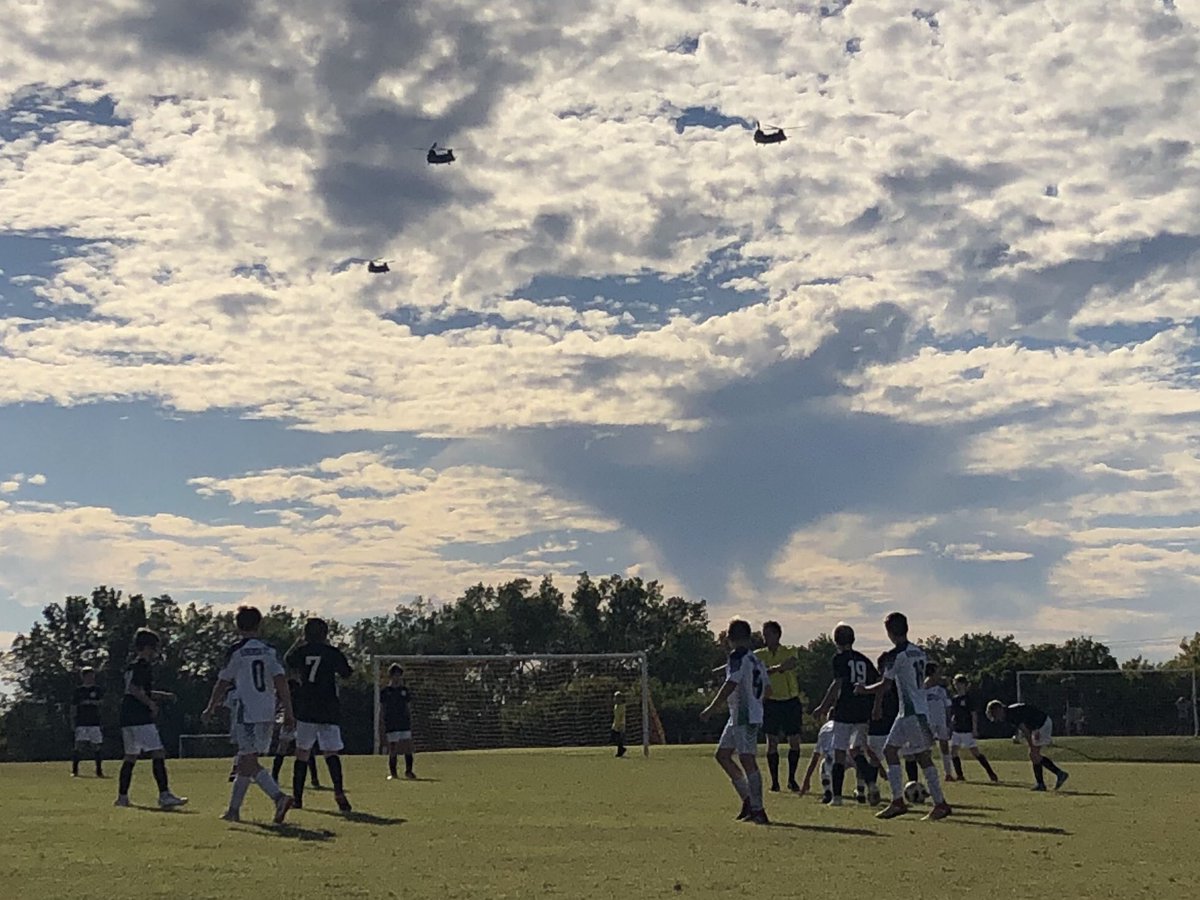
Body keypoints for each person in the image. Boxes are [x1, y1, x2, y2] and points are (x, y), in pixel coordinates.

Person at [203, 606, 295, 824]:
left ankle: (278, 797)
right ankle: (233, 811)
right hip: (268, 709)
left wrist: (210, 706)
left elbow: (223, 681)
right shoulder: (269, 650)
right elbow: (281, 680)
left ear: (237, 626)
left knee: (247, 760)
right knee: (247, 760)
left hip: (247, 711)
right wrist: (289, 711)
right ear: (260, 624)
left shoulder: (237, 651)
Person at [854, 612, 951, 821]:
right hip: (912, 711)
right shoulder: (920, 652)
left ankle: (939, 803)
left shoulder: (895, 655)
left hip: (911, 713)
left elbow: (885, 685)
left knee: (922, 757)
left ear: (889, 632)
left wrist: (864, 690)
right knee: (890, 751)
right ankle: (898, 801)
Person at [700, 617, 771, 825]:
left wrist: (712, 708)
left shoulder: (737, 657)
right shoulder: (756, 660)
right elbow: (768, 689)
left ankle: (758, 809)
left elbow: (732, 682)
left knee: (747, 759)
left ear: (730, 638)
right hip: (740, 714)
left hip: (744, 714)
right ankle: (748, 800)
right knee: (722, 755)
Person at [285, 617, 354, 812]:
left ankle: (297, 798)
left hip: (307, 707)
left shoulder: (302, 651)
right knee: (331, 752)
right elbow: (347, 673)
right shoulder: (332, 653)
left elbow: (288, 660)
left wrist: (298, 642)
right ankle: (339, 792)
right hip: (328, 707)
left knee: (302, 753)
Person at [115, 628, 187, 809]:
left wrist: (162, 696)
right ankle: (164, 795)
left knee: (130, 756)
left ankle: (122, 797)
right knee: (158, 752)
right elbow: (134, 689)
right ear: (147, 647)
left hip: (127, 715)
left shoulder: (131, 665)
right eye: (154, 648)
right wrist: (151, 704)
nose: (156, 652)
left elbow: (135, 690)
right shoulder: (143, 665)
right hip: (139, 716)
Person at [812, 622, 878, 805]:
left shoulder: (839, 659)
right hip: (863, 709)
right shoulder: (864, 660)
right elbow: (875, 681)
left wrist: (824, 706)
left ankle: (837, 797)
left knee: (840, 753)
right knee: (857, 751)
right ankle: (871, 783)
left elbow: (837, 684)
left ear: (836, 641)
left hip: (845, 709)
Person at [754, 621, 803, 792]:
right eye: (764, 634)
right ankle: (775, 781)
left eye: (768, 634)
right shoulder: (759, 654)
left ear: (777, 635)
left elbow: (790, 663)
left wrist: (771, 670)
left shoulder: (789, 649)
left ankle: (791, 779)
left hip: (790, 701)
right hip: (771, 702)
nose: (765, 637)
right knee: (772, 741)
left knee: (794, 741)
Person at [986, 700, 1069, 791]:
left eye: (995, 714)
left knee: (1034, 754)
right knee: (1034, 755)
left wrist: (1032, 745)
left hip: (1042, 725)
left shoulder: (1011, 714)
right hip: (1037, 726)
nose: (996, 718)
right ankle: (1043, 783)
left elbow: (1025, 731)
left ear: (999, 710)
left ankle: (1057, 775)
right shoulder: (1009, 713)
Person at [271, 675, 321, 787]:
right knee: (307, 750)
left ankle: (274, 776)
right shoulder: (303, 695)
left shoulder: (288, 697)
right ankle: (314, 778)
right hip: (302, 723)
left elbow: (280, 707)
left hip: (290, 722)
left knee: (282, 750)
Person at [948, 674, 998, 782]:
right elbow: (953, 713)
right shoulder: (955, 699)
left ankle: (991, 773)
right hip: (957, 729)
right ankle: (960, 775)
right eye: (955, 684)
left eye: (959, 684)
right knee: (953, 751)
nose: (957, 686)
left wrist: (974, 729)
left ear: (964, 685)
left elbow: (973, 714)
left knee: (975, 752)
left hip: (967, 730)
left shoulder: (969, 699)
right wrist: (952, 723)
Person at [379, 664, 418, 779]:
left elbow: (408, 707)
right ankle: (393, 773)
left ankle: (409, 771)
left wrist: (411, 720)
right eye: (395, 675)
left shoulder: (404, 691)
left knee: (407, 747)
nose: (397, 678)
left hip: (404, 722)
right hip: (391, 722)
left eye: (399, 675)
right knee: (393, 748)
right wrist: (382, 724)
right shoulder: (385, 691)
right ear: (391, 676)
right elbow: (382, 709)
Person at [923, 662, 955, 782]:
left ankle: (948, 773)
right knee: (927, 749)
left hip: (941, 721)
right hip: (928, 722)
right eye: (937, 672)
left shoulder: (941, 690)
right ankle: (930, 774)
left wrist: (948, 721)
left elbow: (947, 706)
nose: (940, 675)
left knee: (944, 746)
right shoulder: (922, 689)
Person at [72, 667, 105, 778]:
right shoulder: (78, 691)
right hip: (81, 722)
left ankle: (99, 771)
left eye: (92, 675)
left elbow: (102, 702)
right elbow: (73, 706)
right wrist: (73, 721)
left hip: (94, 721)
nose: (91, 678)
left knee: (96, 746)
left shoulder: (97, 689)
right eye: (89, 676)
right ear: (83, 677)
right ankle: (75, 770)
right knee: (79, 746)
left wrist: (91, 702)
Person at [799, 717, 836, 802]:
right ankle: (862, 791)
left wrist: (806, 780)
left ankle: (827, 792)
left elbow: (816, 756)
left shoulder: (825, 728)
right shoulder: (849, 724)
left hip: (833, 758)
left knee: (823, 765)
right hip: (850, 756)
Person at [611, 690, 627, 758]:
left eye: (617, 697)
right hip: (615, 724)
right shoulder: (615, 706)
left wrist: (621, 724)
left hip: (620, 724)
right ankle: (622, 749)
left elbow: (622, 716)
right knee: (614, 737)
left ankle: (620, 752)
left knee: (619, 739)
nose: (616, 699)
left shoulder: (622, 706)